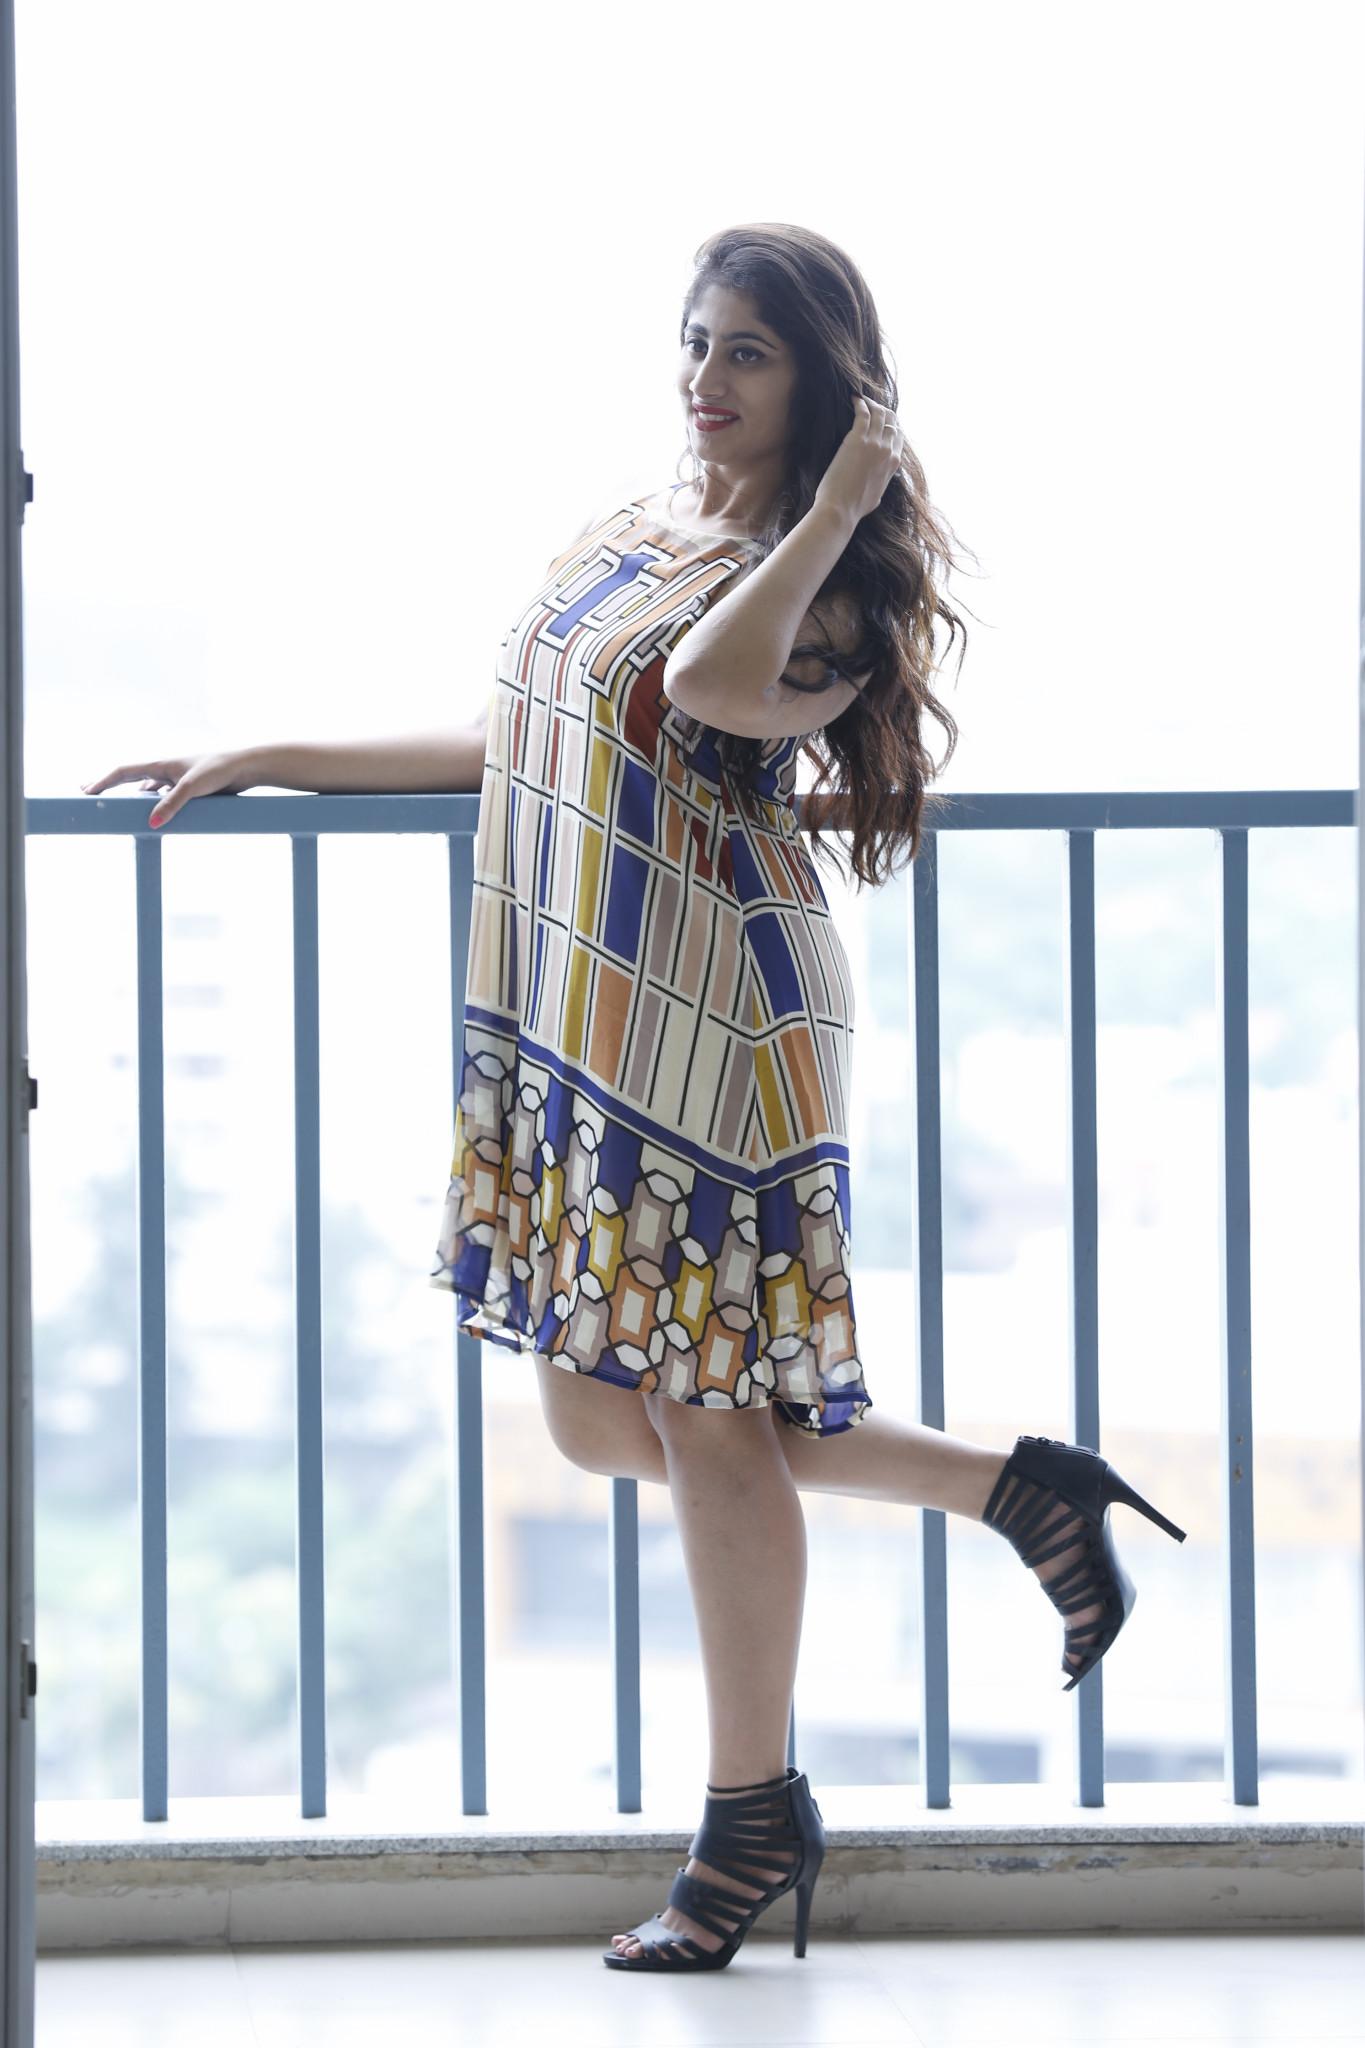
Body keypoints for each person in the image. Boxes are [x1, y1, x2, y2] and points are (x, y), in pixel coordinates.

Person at [79, 222, 1186, 1974]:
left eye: (747, 351)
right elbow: (524, 742)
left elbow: (708, 694)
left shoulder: (835, 589)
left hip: (716, 1020)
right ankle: (1015, 1489)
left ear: (825, 382)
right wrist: (271, 751)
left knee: (700, 1414)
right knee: (609, 1421)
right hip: (578, 1011)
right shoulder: (630, 531)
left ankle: (748, 1821)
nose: (703, 379)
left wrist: (833, 505)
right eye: (694, 342)